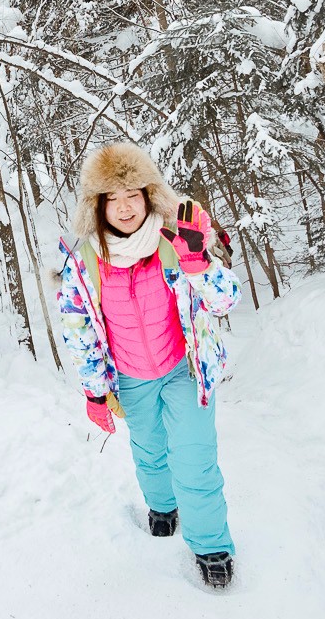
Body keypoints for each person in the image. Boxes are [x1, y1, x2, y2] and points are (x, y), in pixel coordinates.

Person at [53, 140, 243, 589]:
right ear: (97, 207)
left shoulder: (178, 243)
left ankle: (211, 545)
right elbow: (79, 329)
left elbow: (225, 300)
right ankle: (162, 505)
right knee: (151, 455)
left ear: (149, 196)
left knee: (194, 460)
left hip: (183, 370)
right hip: (132, 379)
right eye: (112, 199)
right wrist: (94, 390)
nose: (123, 208)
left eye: (132, 195)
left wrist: (199, 266)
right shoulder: (85, 262)